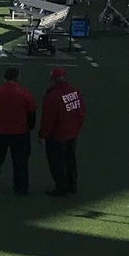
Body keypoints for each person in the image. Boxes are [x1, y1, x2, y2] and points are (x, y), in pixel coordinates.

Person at [0, 66, 36, 195]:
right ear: (17, 78)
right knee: (20, 162)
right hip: (20, 133)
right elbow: (31, 114)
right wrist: (29, 128)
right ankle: (21, 188)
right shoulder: (24, 94)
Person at [40, 67, 86, 198]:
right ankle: (72, 185)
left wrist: (43, 134)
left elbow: (48, 118)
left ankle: (61, 187)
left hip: (57, 135)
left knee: (57, 162)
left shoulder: (52, 96)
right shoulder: (74, 92)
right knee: (70, 160)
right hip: (72, 133)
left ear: (52, 78)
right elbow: (81, 111)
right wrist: (77, 127)